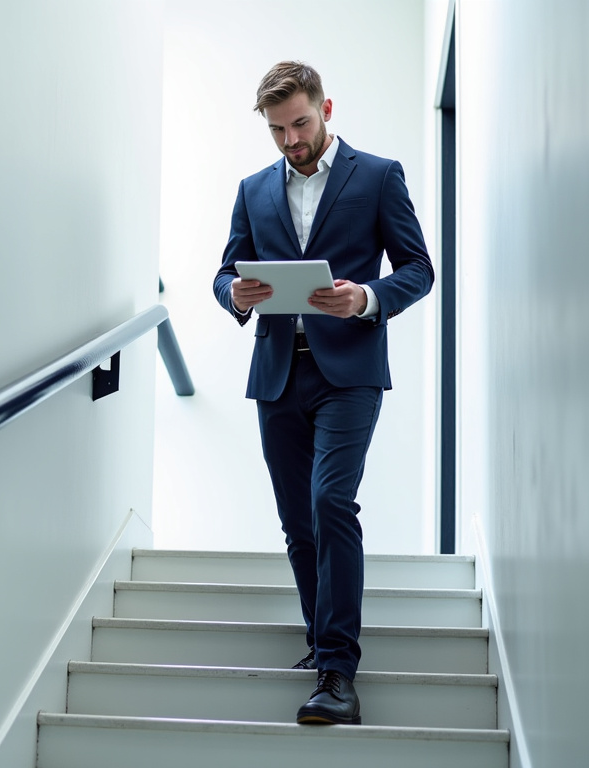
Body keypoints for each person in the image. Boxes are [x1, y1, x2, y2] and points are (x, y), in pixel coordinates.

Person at [212, 61, 434, 725]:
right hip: (278, 372)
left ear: (326, 108)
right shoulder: (254, 189)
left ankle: (338, 671)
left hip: (350, 372)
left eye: (300, 123)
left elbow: (419, 269)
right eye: (278, 130)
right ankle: (319, 642)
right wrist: (235, 295)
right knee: (297, 522)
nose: (290, 140)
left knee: (330, 499)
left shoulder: (378, 176)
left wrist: (366, 297)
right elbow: (225, 270)